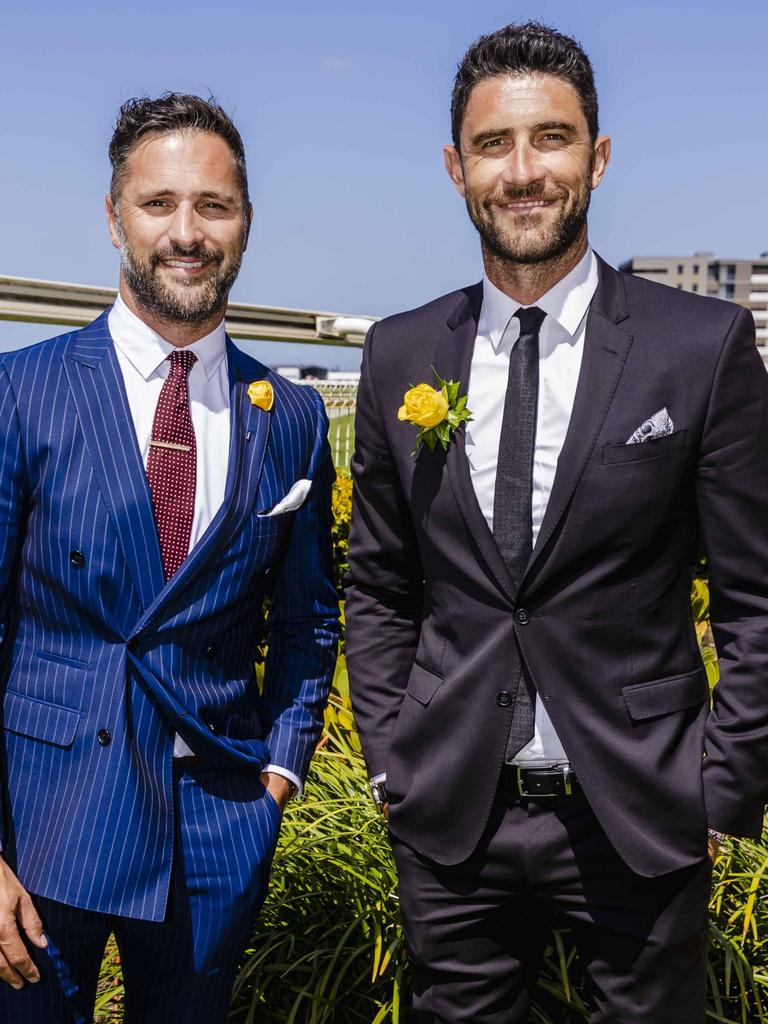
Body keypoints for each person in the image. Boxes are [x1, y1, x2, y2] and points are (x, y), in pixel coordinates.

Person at [345, 21, 768, 1023]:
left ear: (598, 156)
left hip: (641, 814)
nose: (522, 171)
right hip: (451, 818)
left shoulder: (701, 346)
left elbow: (756, 599)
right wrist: (389, 758)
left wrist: (718, 789)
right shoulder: (402, 353)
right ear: (456, 166)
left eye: (552, 138)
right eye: (494, 144)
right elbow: (380, 582)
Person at [0, 93, 339, 1023]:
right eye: (158, 204)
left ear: (245, 224)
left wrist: (279, 776)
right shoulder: (20, 393)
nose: (186, 233)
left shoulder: (294, 416)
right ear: (114, 217)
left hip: (216, 830)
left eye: (213, 206)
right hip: (40, 830)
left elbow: (308, 621)